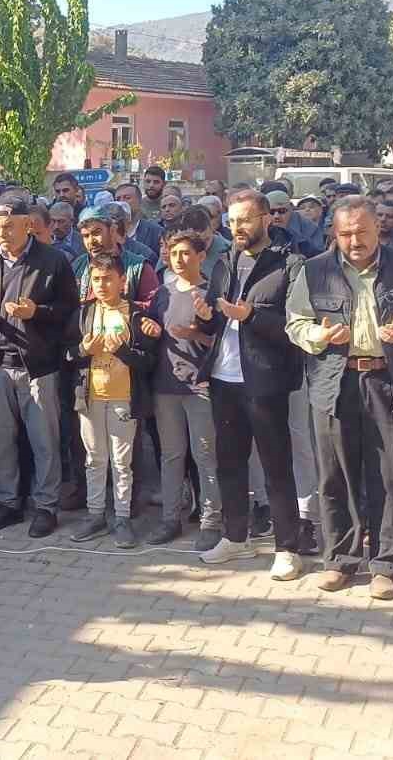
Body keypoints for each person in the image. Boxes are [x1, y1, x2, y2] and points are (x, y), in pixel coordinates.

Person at [285, 196, 393, 600]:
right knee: (336, 474)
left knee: (391, 475)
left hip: (388, 379)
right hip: (333, 382)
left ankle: (389, 564)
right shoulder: (314, 270)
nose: (355, 241)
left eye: (362, 231)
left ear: (377, 229)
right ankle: (340, 559)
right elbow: (295, 323)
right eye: (346, 233)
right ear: (334, 233)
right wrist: (318, 336)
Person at [197, 192, 307, 579]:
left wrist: (251, 316)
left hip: (265, 379)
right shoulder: (224, 261)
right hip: (223, 377)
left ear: (266, 219)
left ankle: (287, 547)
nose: (237, 228)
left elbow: (294, 325)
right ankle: (235, 538)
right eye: (231, 222)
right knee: (229, 462)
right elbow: (216, 318)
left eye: (244, 220)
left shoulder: (290, 264)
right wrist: (205, 315)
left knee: (276, 465)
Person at [0, 197, 80, 537]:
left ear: (27, 225)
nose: (2, 234)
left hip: (39, 367)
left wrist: (36, 312)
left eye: (9, 227)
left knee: (44, 442)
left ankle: (46, 506)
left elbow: (70, 309)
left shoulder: (53, 260)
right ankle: (7, 503)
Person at [66, 256, 154, 548]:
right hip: (90, 397)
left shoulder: (136, 315)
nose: (101, 285)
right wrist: (83, 349)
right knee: (94, 459)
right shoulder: (84, 313)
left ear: (122, 281)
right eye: (96, 279)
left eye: (107, 279)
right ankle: (95, 515)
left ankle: (122, 518)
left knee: (121, 462)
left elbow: (149, 361)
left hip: (123, 398)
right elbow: (66, 354)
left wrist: (123, 352)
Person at [144, 232, 221, 548]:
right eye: (173, 252)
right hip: (166, 386)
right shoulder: (163, 293)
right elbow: (151, 332)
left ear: (201, 256)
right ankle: (170, 519)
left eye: (186, 253)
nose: (178, 259)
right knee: (171, 455)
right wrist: (149, 329)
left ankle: (211, 522)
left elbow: (222, 341)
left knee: (206, 457)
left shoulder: (212, 294)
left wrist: (197, 334)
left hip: (200, 387)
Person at [73, 206, 159, 305]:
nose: (91, 241)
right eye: (86, 236)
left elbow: (153, 306)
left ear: (112, 230)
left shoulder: (139, 268)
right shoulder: (78, 266)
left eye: (96, 233)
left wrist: (120, 307)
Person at [114, 183, 164, 255]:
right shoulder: (110, 231)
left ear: (140, 201)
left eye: (127, 198)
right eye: (118, 199)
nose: (121, 202)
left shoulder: (156, 231)